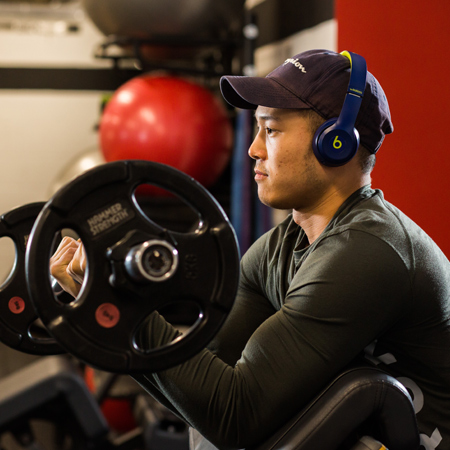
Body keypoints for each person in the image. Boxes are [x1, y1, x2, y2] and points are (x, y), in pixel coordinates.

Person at [51, 49, 450, 450]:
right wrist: (105, 309)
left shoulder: (370, 249)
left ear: (336, 142)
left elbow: (235, 414)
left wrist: (125, 309)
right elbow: (205, 390)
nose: (253, 149)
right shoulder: (281, 247)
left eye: (271, 130)